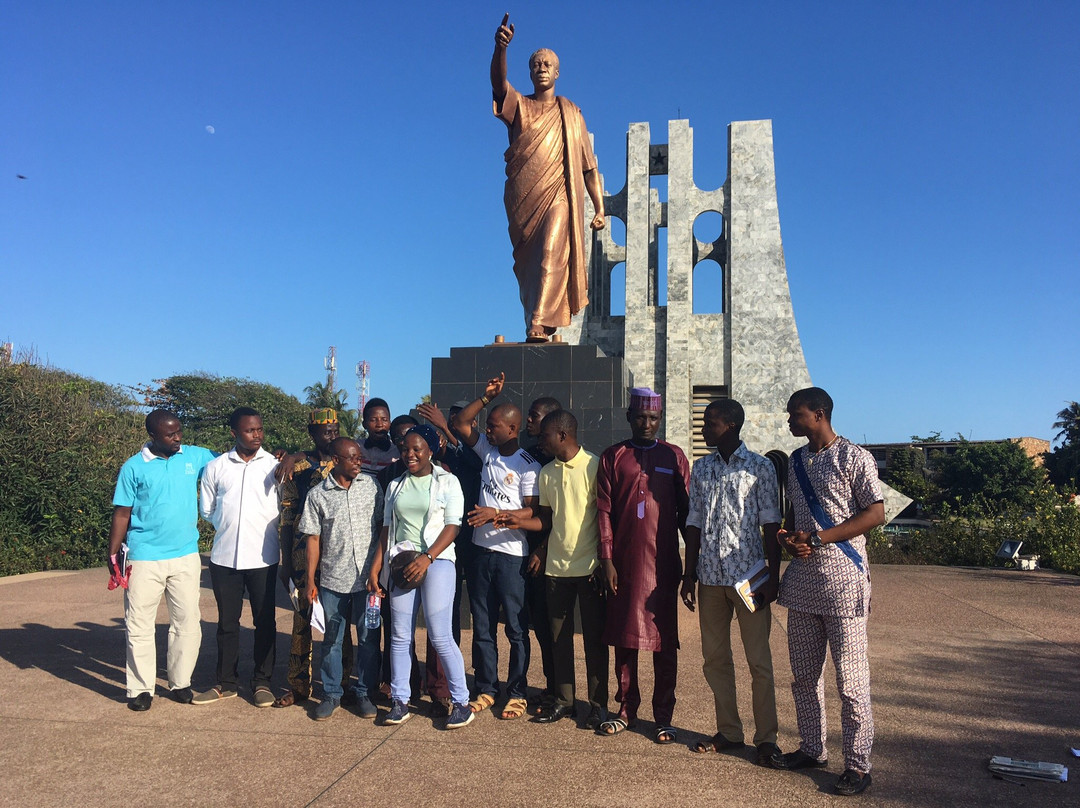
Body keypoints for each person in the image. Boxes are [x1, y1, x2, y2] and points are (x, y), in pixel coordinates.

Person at [772, 387, 885, 797]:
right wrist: (789, 539)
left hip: (843, 585)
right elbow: (791, 517)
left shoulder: (854, 457)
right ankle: (812, 748)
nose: (789, 420)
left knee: (851, 683)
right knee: (804, 677)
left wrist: (820, 538)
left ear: (818, 415)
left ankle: (857, 765)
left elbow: (876, 512)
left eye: (794, 414)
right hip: (802, 585)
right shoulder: (797, 461)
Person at [490, 13, 606, 342]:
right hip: (524, 199)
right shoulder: (520, 107)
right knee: (531, 267)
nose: (541, 68)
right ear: (529, 72)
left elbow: (587, 167)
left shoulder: (571, 114)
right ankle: (536, 316)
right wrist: (500, 50)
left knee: (552, 252)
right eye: (536, 64)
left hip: (558, 196)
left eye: (547, 64)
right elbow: (498, 85)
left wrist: (599, 207)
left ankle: (539, 322)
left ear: (557, 72)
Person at [681, 399, 782, 765]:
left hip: (750, 579)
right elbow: (693, 524)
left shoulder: (760, 468)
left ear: (732, 425)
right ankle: (729, 732)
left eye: (711, 423)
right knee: (715, 659)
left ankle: (767, 738)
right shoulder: (702, 468)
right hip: (709, 579)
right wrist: (688, 574)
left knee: (759, 661)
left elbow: (771, 524)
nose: (704, 428)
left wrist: (774, 574)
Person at [499, 410, 608, 728]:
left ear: (562, 435)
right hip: (556, 571)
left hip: (589, 569)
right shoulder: (546, 473)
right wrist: (517, 520)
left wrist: (604, 561)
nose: (539, 441)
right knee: (559, 640)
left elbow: (606, 519)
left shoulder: (595, 466)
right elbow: (545, 521)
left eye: (544, 435)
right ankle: (564, 701)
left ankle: (598, 705)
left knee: (594, 641)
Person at [596, 387, 689, 742]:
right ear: (629, 418)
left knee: (664, 642)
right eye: (640, 418)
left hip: (663, 562)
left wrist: (691, 564)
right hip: (624, 564)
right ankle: (626, 710)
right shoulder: (613, 456)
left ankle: (664, 715)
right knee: (626, 638)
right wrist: (606, 559)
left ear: (660, 419)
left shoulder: (674, 456)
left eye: (653, 419)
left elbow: (687, 513)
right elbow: (604, 511)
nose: (646, 424)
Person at [108, 409, 216, 711]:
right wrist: (113, 552)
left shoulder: (193, 456)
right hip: (144, 557)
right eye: (170, 434)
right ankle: (140, 689)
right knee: (139, 625)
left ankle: (181, 683)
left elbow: (232, 461)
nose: (178, 437)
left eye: (179, 430)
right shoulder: (133, 467)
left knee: (188, 623)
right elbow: (122, 513)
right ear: (153, 435)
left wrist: (284, 454)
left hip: (185, 555)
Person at [368, 426, 474, 729]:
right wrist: (377, 567)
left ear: (430, 449)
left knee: (440, 635)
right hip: (402, 564)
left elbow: (453, 525)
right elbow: (387, 529)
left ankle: (462, 702)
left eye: (417, 449)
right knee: (400, 636)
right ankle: (400, 700)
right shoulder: (395, 485)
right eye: (405, 449)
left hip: (437, 561)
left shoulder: (447, 481)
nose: (410, 455)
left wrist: (427, 558)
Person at [450, 373, 539, 721]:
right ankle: (487, 688)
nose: (487, 430)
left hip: (511, 558)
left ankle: (517, 693)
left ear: (513, 430)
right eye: (487, 425)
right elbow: (460, 422)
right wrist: (486, 398)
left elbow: (532, 511)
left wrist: (496, 514)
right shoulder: (486, 452)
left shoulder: (527, 465)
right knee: (483, 627)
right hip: (480, 554)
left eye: (495, 426)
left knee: (516, 629)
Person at [193, 407, 281, 707]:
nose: (257, 435)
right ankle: (225, 683)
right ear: (234, 433)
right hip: (224, 559)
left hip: (263, 559)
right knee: (227, 624)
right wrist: (229, 525)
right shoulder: (217, 467)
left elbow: (284, 506)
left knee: (265, 622)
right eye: (249, 430)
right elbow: (207, 509)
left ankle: (262, 682)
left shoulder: (274, 465)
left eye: (259, 429)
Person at [298, 437, 383, 721]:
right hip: (333, 581)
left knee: (369, 639)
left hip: (368, 582)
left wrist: (378, 570)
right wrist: (310, 580)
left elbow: (383, 528)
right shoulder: (318, 495)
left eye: (359, 456)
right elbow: (313, 539)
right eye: (352, 457)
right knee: (332, 639)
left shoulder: (371, 486)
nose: (359, 461)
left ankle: (364, 693)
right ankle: (332, 693)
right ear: (335, 460)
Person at [275, 408, 354, 709]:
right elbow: (286, 516)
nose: (331, 435)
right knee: (301, 622)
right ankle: (297, 686)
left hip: (337, 557)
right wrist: (285, 562)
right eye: (325, 431)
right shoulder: (298, 466)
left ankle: (342, 684)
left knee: (339, 622)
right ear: (312, 433)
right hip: (300, 556)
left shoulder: (347, 463)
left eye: (335, 430)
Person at [520, 395, 562, 712]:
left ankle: (563, 692)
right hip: (529, 553)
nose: (528, 421)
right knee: (541, 629)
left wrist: (543, 550)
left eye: (534, 416)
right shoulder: (530, 456)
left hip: (556, 556)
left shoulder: (557, 463)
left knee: (555, 629)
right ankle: (551, 686)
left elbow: (562, 516)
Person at [360, 398, 397, 478]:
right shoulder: (356, 448)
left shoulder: (397, 452)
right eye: (373, 420)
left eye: (384, 420)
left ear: (390, 423)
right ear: (364, 424)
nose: (379, 424)